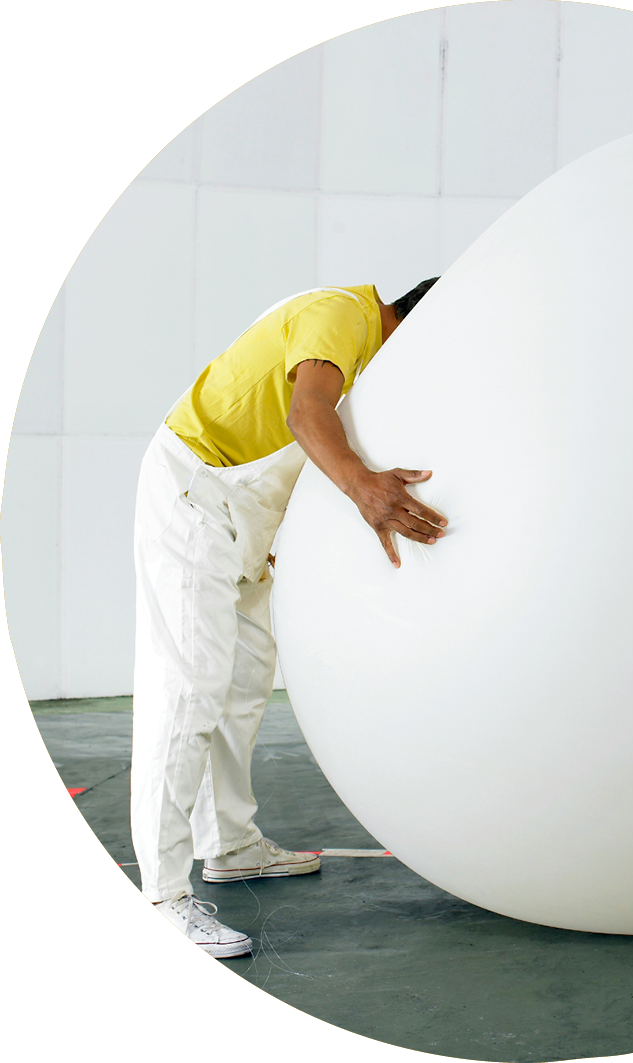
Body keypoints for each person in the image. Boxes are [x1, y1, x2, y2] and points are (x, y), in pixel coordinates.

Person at [130, 279, 445, 957]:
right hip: (195, 497)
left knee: (243, 684)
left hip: (240, 514)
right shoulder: (344, 316)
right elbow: (306, 414)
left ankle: (231, 845)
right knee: (189, 691)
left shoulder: (364, 351)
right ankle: (163, 894)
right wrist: (365, 490)